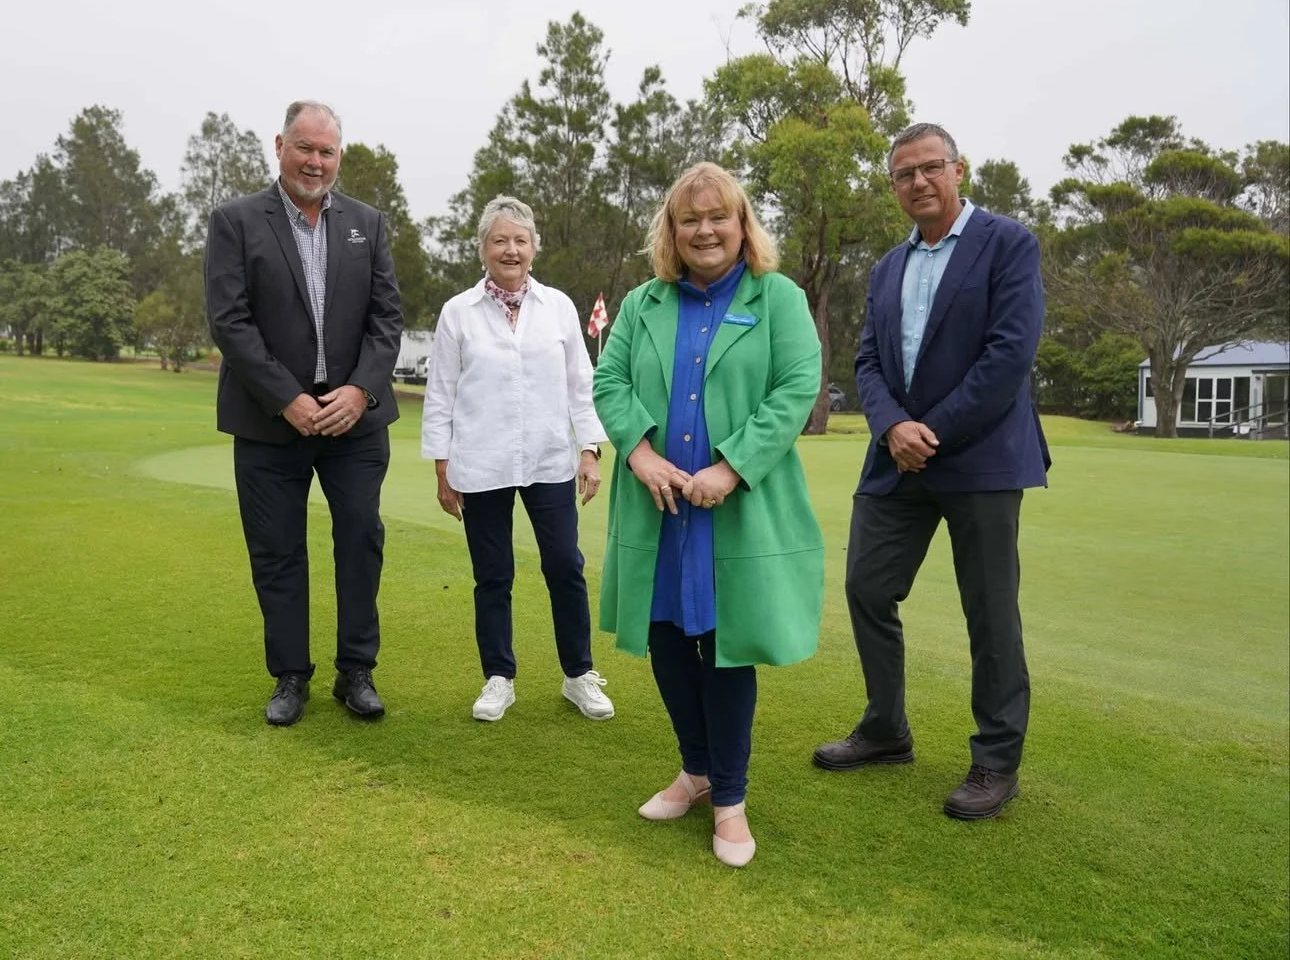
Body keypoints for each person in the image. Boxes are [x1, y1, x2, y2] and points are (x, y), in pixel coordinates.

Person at [812, 123, 1051, 820]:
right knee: (866, 585)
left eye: (930, 168)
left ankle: (996, 759)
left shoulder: (1008, 244)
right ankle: (886, 730)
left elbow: (1008, 356)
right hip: (895, 456)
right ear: (893, 187)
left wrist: (932, 431)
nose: (918, 182)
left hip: (979, 458)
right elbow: (866, 362)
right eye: (903, 174)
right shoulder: (887, 267)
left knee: (990, 611)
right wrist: (892, 426)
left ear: (959, 170)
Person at [593, 162, 824, 867]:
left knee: (724, 652)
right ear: (671, 230)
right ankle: (694, 771)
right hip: (660, 511)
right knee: (666, 641)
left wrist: (731, 467)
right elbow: (608, 380)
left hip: (736, 511)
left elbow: (795, 388)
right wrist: (637, 452)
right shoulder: (643, 305)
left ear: (741, 223)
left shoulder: (776, 297)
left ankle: (730, 798)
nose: (704, 230)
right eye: (688, 219)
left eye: (717, 216)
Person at [204, 100, 402, 727]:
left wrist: (361, 391)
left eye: (327, 151)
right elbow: (229, 321)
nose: (316, 162)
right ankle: (291, 676)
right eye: (305, 148)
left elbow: (386, 321)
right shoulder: (235, 221)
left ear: (338, 156)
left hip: (352, 422)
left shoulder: (366, 224)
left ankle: (356, 671)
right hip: (270, 421)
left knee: (361, 539)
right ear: (280, 146)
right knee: (278, 549)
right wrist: (285, 397)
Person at [421, 195, 614, 724]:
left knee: (565, 566)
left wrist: (589, 451)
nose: (511, 249)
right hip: (480, 464)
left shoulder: (558, 307)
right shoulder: (458, 312)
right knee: (493, 574)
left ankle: (579, 675)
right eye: (500, 240)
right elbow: (441, 393)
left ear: (534, 248)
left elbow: (582, 385)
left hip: (549, 460)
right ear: (483, 248)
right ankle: (499, 677)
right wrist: (442, 467)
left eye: (520, 240)